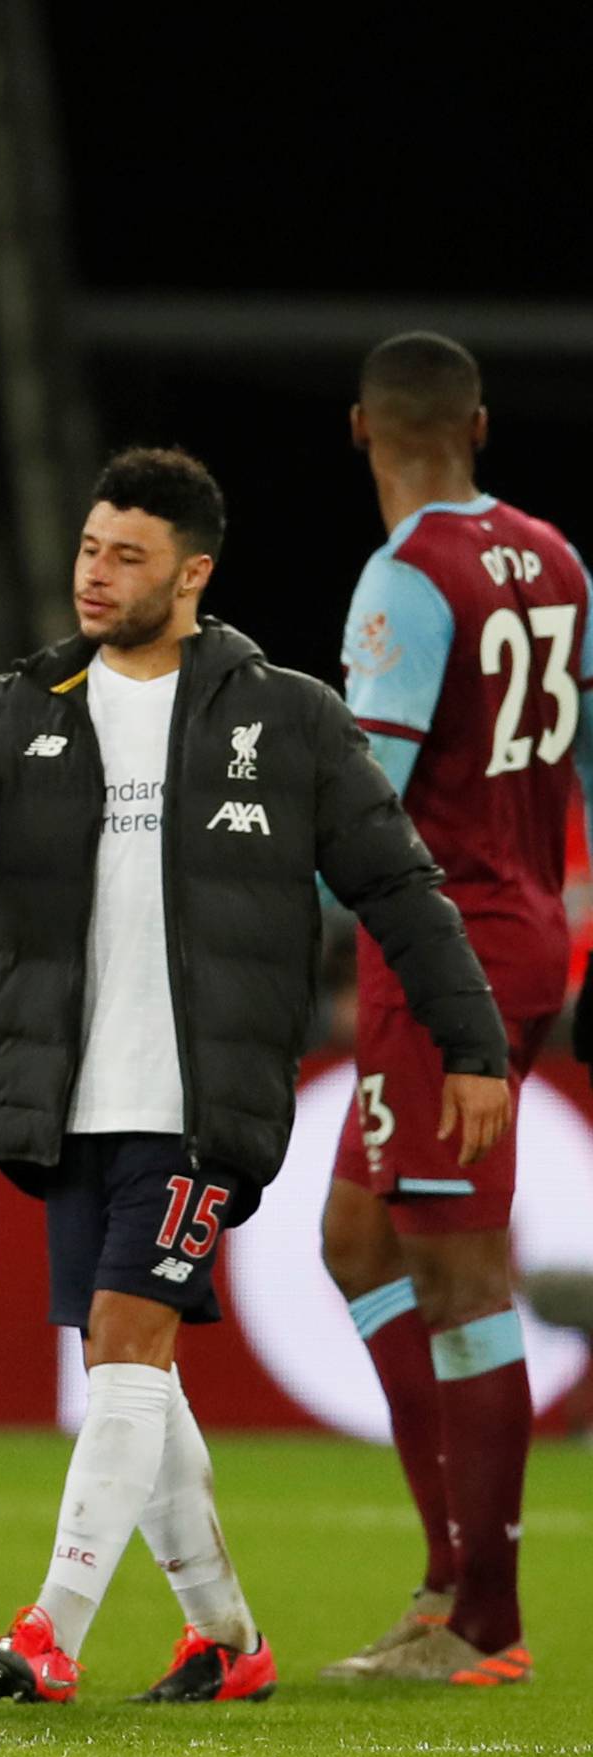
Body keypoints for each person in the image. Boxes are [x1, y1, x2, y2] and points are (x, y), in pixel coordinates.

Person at [0, 448, 510, 1705]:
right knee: (133, 1373)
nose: (95, 573)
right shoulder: (25, 705)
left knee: (128, 1343)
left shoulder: (283, 716)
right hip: (66, 1096)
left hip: (199, 1104)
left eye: (126, 556)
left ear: (193, 574)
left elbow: (397, 883)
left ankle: (50, 1628)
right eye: (88, 548)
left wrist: (474, 1043)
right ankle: (227, 1637)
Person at [318, 333, 593, 1685]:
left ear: (361, 429)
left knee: (463, 1276)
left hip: (446, 951)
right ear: (477, 424)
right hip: (525, 921)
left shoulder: (404, 582)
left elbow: (367, 808)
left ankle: (488, 1613)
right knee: (357, 1238)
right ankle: (448, 1573)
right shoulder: (556, 557)